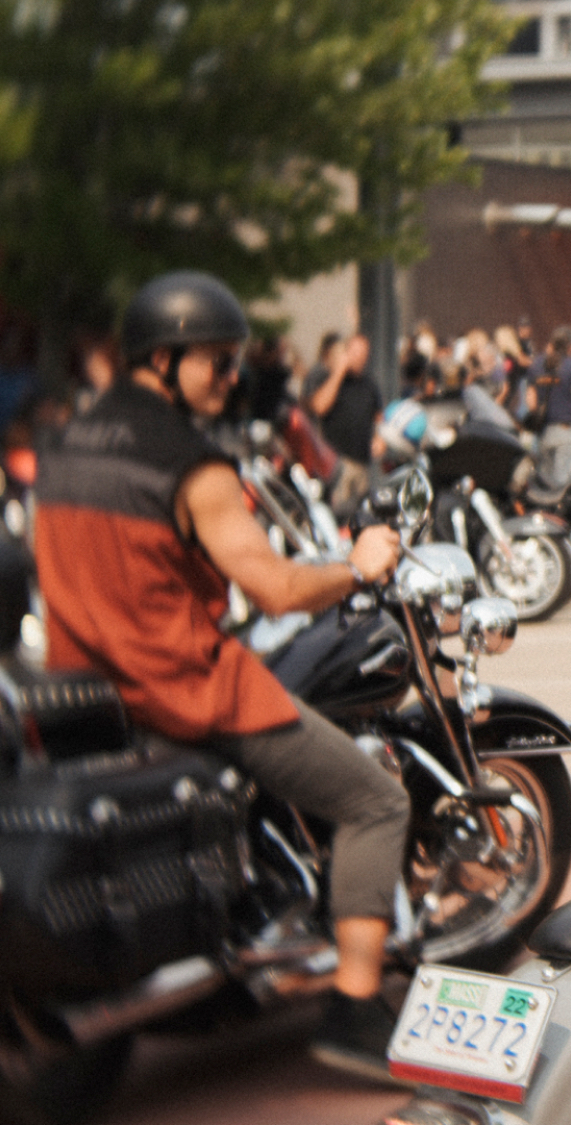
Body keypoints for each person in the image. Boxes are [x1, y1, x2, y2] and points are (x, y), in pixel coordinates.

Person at [34, 271, 411, 1079]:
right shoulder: (192, 466)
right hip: (186, 690)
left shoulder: (65, 445)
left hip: (89, 703)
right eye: (218, 362)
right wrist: (355, 564)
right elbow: (273, 587)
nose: (232, 378)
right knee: (374, 798)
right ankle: (352, 1010)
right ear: (164, 361)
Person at [303, 331, 381, 517]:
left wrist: (379, 437)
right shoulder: (328, 378)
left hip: (361, 463)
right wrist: (339, 371)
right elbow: (319, 406)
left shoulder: (369, 384)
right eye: (355, 353)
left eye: (363, 354)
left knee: (362, 513)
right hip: (338, 462)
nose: (360, 359)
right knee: (339, 514)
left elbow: (378, 416)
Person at [534, 325, 571, 491]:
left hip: (543, 432)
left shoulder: (538, 365)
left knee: (544, 484)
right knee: (562, 487)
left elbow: (531, 402)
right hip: (566, 431)